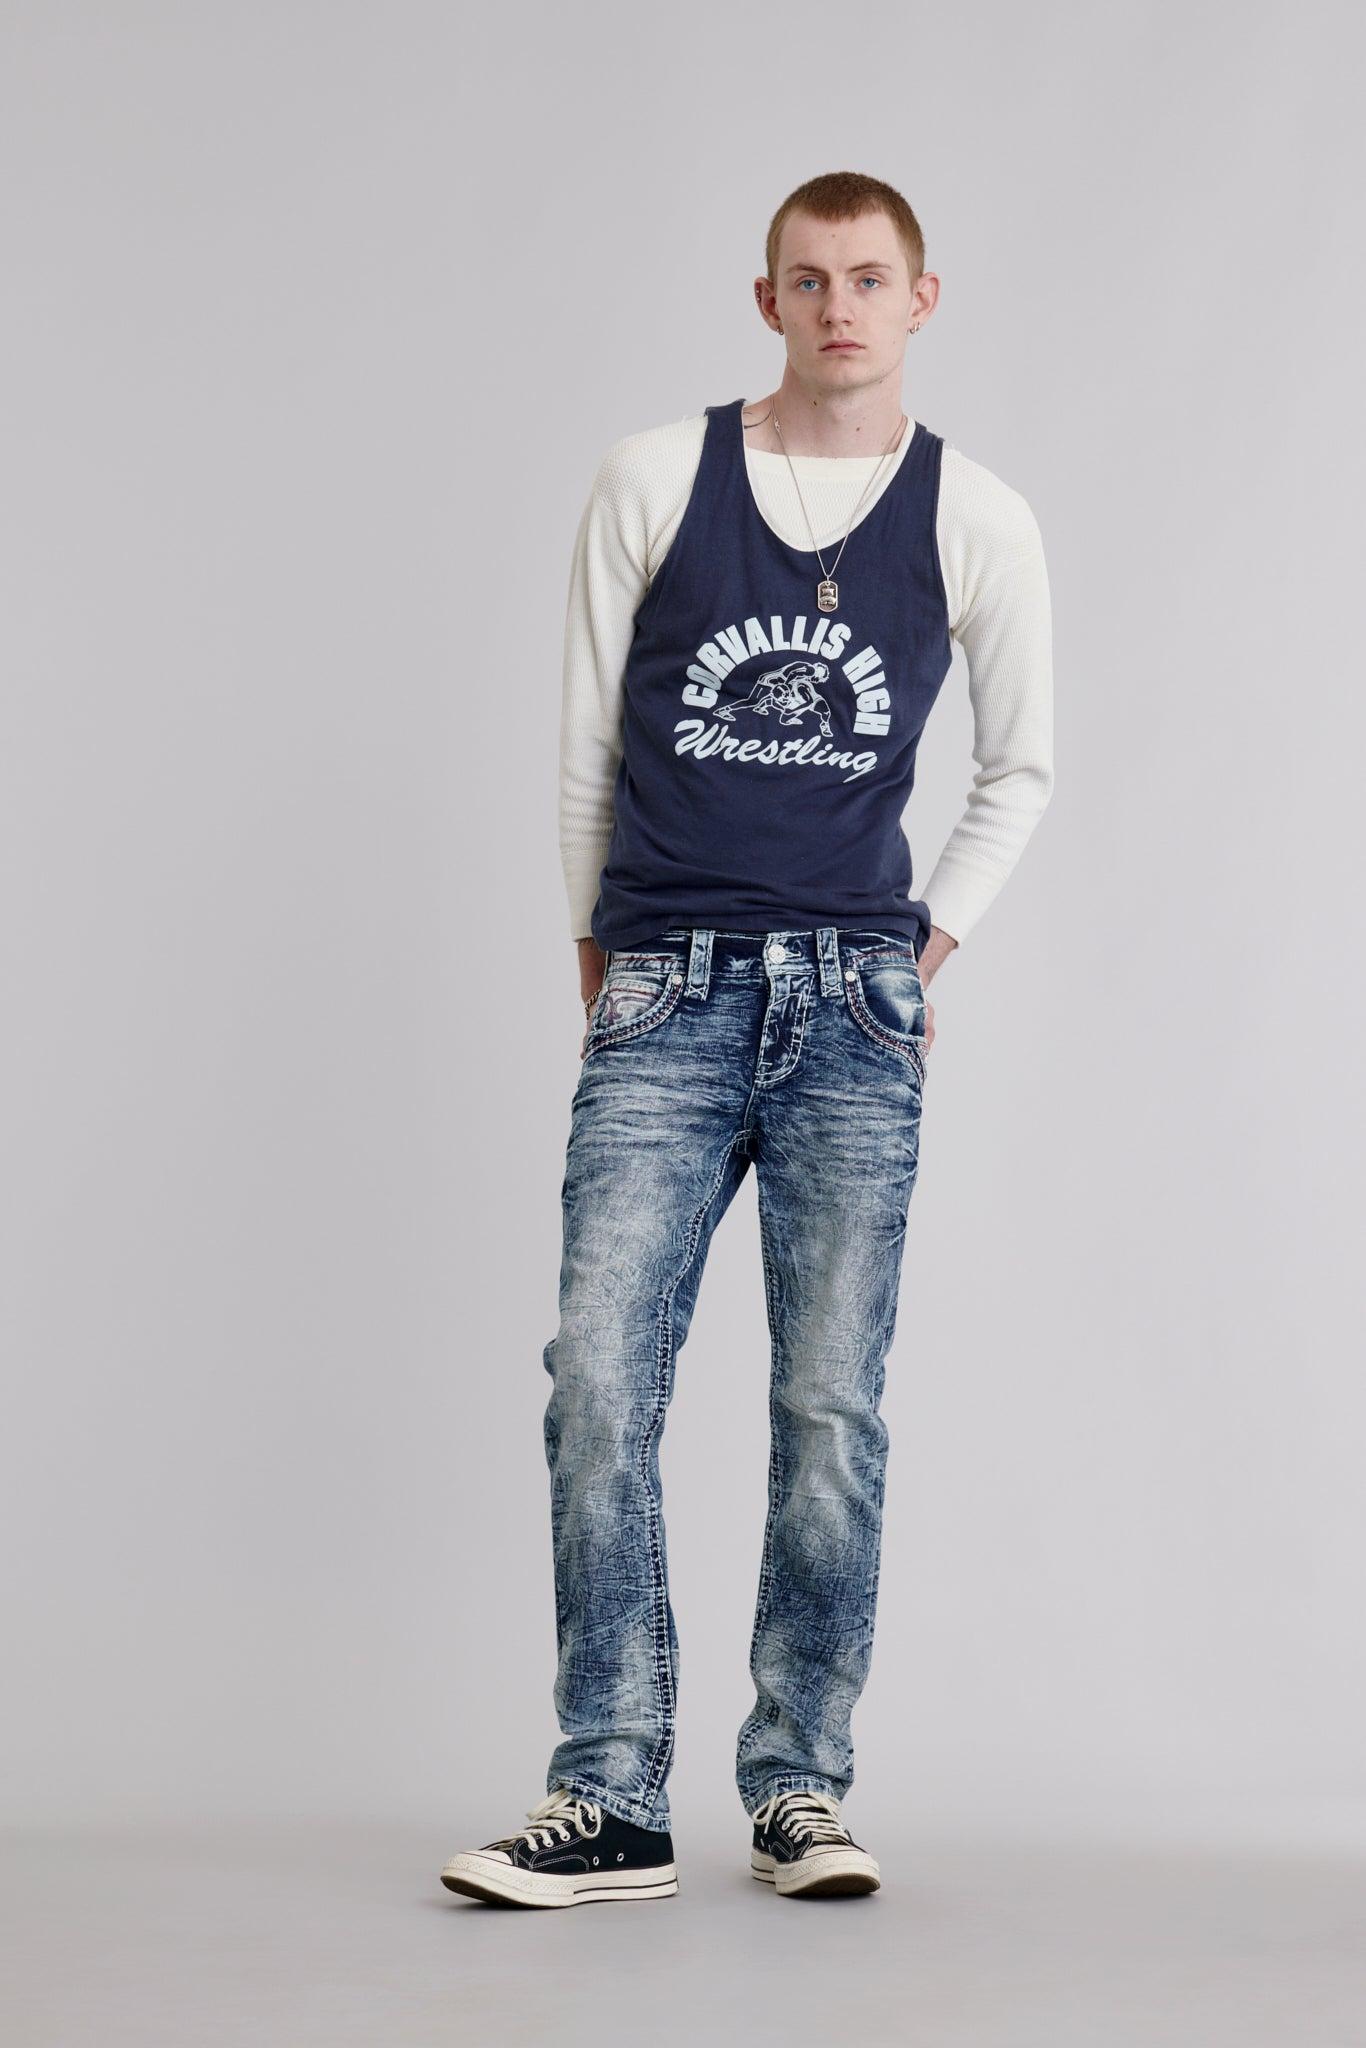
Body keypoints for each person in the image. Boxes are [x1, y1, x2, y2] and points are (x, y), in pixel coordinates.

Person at [440, 170, 1054, 1908]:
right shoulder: (652, 477)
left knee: (827, 1409)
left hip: (853, 1003)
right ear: (765, 298)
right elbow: (585, 743)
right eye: (807, 279)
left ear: (921, 297)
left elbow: (1023, 767)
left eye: (868, 278)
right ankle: (609, 1796)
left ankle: (799, 1788)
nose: (837, 307)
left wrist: (919, 950)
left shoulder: (973, 513)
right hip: (665, 983)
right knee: (596, 1381)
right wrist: (602, 961)